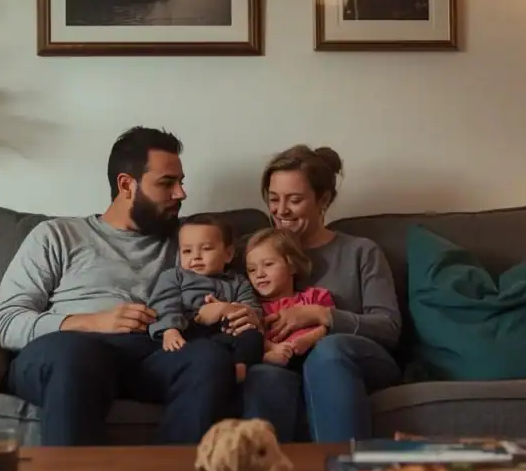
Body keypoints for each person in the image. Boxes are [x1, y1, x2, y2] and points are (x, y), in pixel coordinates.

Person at [0, 126, 254, 446]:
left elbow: (234, 292)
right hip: (68, 353)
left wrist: (238, 315)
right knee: (75, 354)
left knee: (208, 360)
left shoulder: (190, 243)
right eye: (167, 183)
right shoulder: (57, 236)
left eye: (181, 182)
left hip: (153, 355)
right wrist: (90, 323)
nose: (181, 194)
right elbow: (7, 322)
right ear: (127, 185)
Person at [241, 145, 403, 443]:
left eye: (295, 200)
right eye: (273, 199)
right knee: (265, 376)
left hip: (356, 359)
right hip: (285, 361)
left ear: (323, 199)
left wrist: (322, 316)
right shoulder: (257, 255)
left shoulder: (360, 251)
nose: (281, 211)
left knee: (329, 352)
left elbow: (388, 328)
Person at [147, 213, 265, 382]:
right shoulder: (174, 276)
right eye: (187, 251)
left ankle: (241, 369)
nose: (196, 256)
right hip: (190, 332)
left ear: (228, 254)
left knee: (252, 336)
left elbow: (252, 309)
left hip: (228, 334)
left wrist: (227, 309)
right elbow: (164, 304)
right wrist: (169, 330)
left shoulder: (237, 282)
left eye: (206, 248)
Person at [243, 227, 332, 366]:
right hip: (278, 364)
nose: (259, 274)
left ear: (292, 266)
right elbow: (250, 340)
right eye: (252, 269)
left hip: (316, 358)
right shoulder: (255, 308)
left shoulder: (315, 296)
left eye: (268, 264)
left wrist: (308, 339)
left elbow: (329, 325)